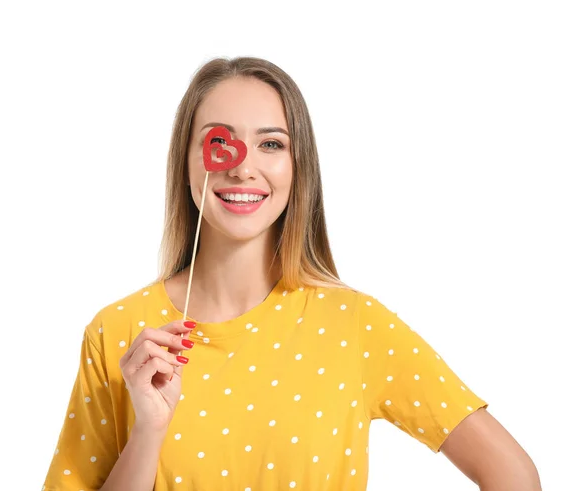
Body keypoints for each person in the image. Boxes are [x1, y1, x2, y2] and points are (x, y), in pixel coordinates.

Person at [42, 57, 541, 491]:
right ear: (187, 161)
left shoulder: (355, 324)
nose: (242, 167)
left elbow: (513, 474)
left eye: (271, 145)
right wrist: (149, 429)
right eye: (220, 141)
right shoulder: (118, 333)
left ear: (298, 166)